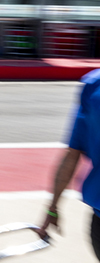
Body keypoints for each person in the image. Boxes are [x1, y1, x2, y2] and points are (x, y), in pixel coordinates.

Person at [38, 69, 100, 261]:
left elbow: (72, 154)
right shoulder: (92, 85)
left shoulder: (93, 85)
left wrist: (53, 207)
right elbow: (71, 154)